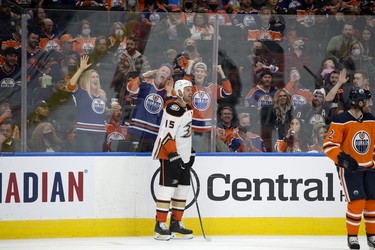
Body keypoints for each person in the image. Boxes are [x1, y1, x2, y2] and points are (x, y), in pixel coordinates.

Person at [323, 87, 375, 250]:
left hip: (370, 168)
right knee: (357, 202)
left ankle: (371, 236)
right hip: (350, 170)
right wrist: (343, 160)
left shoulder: (371, 119)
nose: (369, 104)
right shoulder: (340, 120)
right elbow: (329, 145)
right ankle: (352, 237)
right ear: (358, 102)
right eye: (366, 101)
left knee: (372, 203)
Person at [151, 79, 194, 240]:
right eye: (188, 89)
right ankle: (160, 225)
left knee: (183, 188)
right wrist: (173, 155)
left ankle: (176, 223)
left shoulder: (188, 108)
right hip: (169, 155)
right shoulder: (173, 108)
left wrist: (190, 153)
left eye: (191, 89)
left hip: (182, 156)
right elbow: (166, 134)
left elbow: (184, 133)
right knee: (167, 189)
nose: (191, 92)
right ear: (180, 92)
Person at [184, 61, 232, 152]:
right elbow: (183, 87)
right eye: (197, 71)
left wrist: (221, 72)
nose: (199, 73)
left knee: (224, 151)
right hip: (193, 130)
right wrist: (189, 67)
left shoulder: (212, 87)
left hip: (209, 130)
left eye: (202, 71)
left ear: (205, 74)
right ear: (194, 73)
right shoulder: (190, 88)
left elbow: (228, 91)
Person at [127, 65, 174, 152]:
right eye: (163, 70)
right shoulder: (146, 83)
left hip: (154, 133)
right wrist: (143, 75)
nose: (164, 73)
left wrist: (169, 93)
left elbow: (170, 113)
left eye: (167, 73)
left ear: (168, 77)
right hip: (137, 130)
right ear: (157, 72)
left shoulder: (168, 91)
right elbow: (130, 88)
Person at [66, 55, 109, 152]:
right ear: (87, 79)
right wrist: (81, 69)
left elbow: (101, 113)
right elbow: (70, 85)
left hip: (100, 132)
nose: (96, 79)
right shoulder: (81, 92)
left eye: (97, 77)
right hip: (85, 132)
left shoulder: (102, 94)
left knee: (98, 161)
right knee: (88, 159)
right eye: (93, 77)